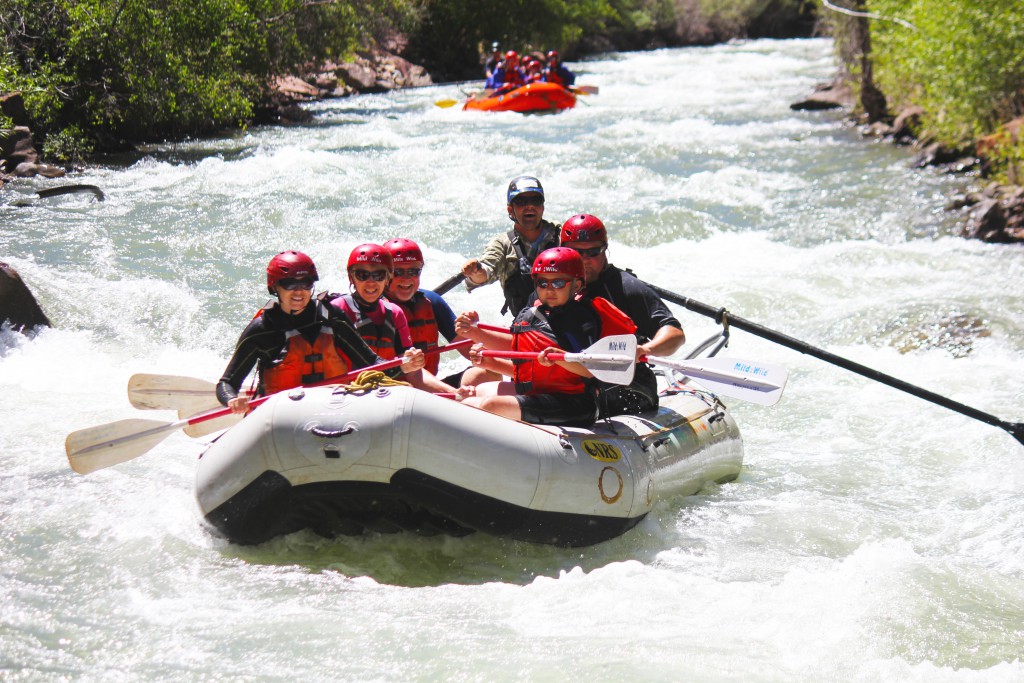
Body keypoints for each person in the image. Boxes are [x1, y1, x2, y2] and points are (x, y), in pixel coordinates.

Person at [217, 250, 423, 415]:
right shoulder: (262, 330)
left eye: (305, 284)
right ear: (275, 288)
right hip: (281, 415)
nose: (298, 291)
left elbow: (372, 363)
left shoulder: (331, 317)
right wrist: (232, 400)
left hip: (333, 409)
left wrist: (403, 365)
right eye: (289, 284)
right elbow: (227, 383)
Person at [455, 247, 639, 427]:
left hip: (574, 404)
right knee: (468, 401)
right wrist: (475, 333)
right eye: (543, 283)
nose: (549, 289)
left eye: (558, 283)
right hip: (538, 395)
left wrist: (559, 358)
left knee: (490, 406)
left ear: (576, 284)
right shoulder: (530, 314)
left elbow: (591, 370)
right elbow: (517, 349)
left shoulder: (582, 320)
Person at [559, 213, 685, 415]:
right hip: (574, 383)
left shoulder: (625, 287)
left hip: (626, 387)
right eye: (576, 252)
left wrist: (644, 350)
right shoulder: (550, 286)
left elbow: (675, 334)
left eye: (593, 252)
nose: (585, 260)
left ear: (605, 250)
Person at [332, 243, 455, 393]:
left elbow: (413, 372)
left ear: (387, 278)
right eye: (362, 275)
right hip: (344, 392)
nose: (371, 282)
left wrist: (454, 394)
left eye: (378, 275)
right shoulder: (336, 310)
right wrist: (402, 367)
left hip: (384, 391)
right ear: (351, 277)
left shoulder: (395, 313)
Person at [382, 237, 482, 386]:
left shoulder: (431, 301)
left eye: (413, 271)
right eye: (398, 272)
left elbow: (472, 351)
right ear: (385, 274)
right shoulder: (373, 309)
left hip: (430, 388)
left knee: (484, 373)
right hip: (391, 391)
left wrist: (474, 331)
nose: (406, 279)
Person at [461, 175, 561, 316]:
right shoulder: (503, 244)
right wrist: (475, 271)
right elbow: (485, 272)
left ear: (542, 206)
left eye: (536, 200)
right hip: (527, 328)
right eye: (521, 202)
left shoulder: (561, 235)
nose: (530, 206)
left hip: (567, 320)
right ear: (510, 210)